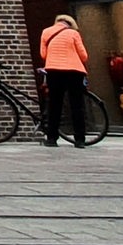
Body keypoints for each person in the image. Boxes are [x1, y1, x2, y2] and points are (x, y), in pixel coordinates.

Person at [39, 11, 90, 148]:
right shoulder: (73, 33)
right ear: (71, 24)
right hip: (74, 72)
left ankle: (52, 138)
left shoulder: (46, 32)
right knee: (77, 106)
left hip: (54, 71)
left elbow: (43, 54)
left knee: (54, 105)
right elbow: (84, 56)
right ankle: (79, 140)